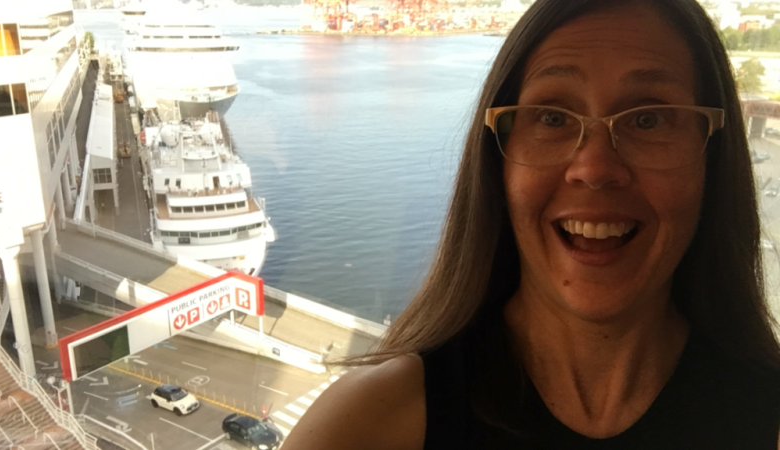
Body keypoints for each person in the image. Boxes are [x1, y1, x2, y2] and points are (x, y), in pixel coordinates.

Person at [282, 0, 780, 448]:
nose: (594, 168)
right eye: (552, 118)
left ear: (712, 163)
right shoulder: (369, 427)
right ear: (498, 165)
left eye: (648, 119)